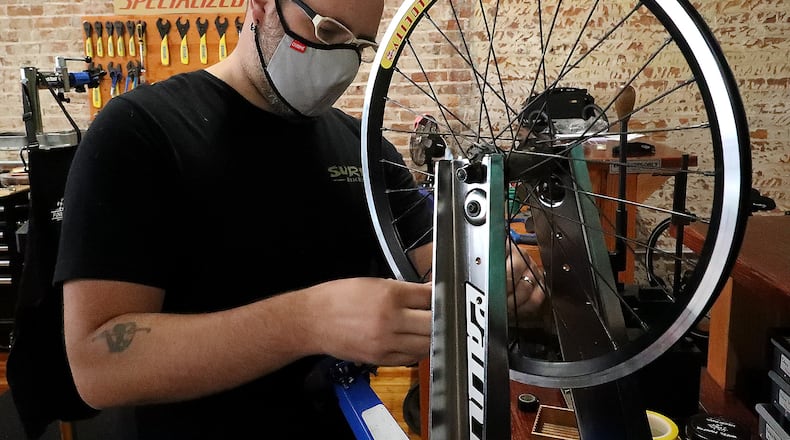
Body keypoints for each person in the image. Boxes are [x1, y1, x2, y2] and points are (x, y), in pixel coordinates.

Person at [55, 0, 544, 437]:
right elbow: (97, 367)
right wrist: (307, 322)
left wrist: (488, 282)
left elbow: (433, 266)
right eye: (328, 32)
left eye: (359, 45)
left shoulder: (367, 150)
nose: (341, 61)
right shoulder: (140, 133)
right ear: (262, 6)